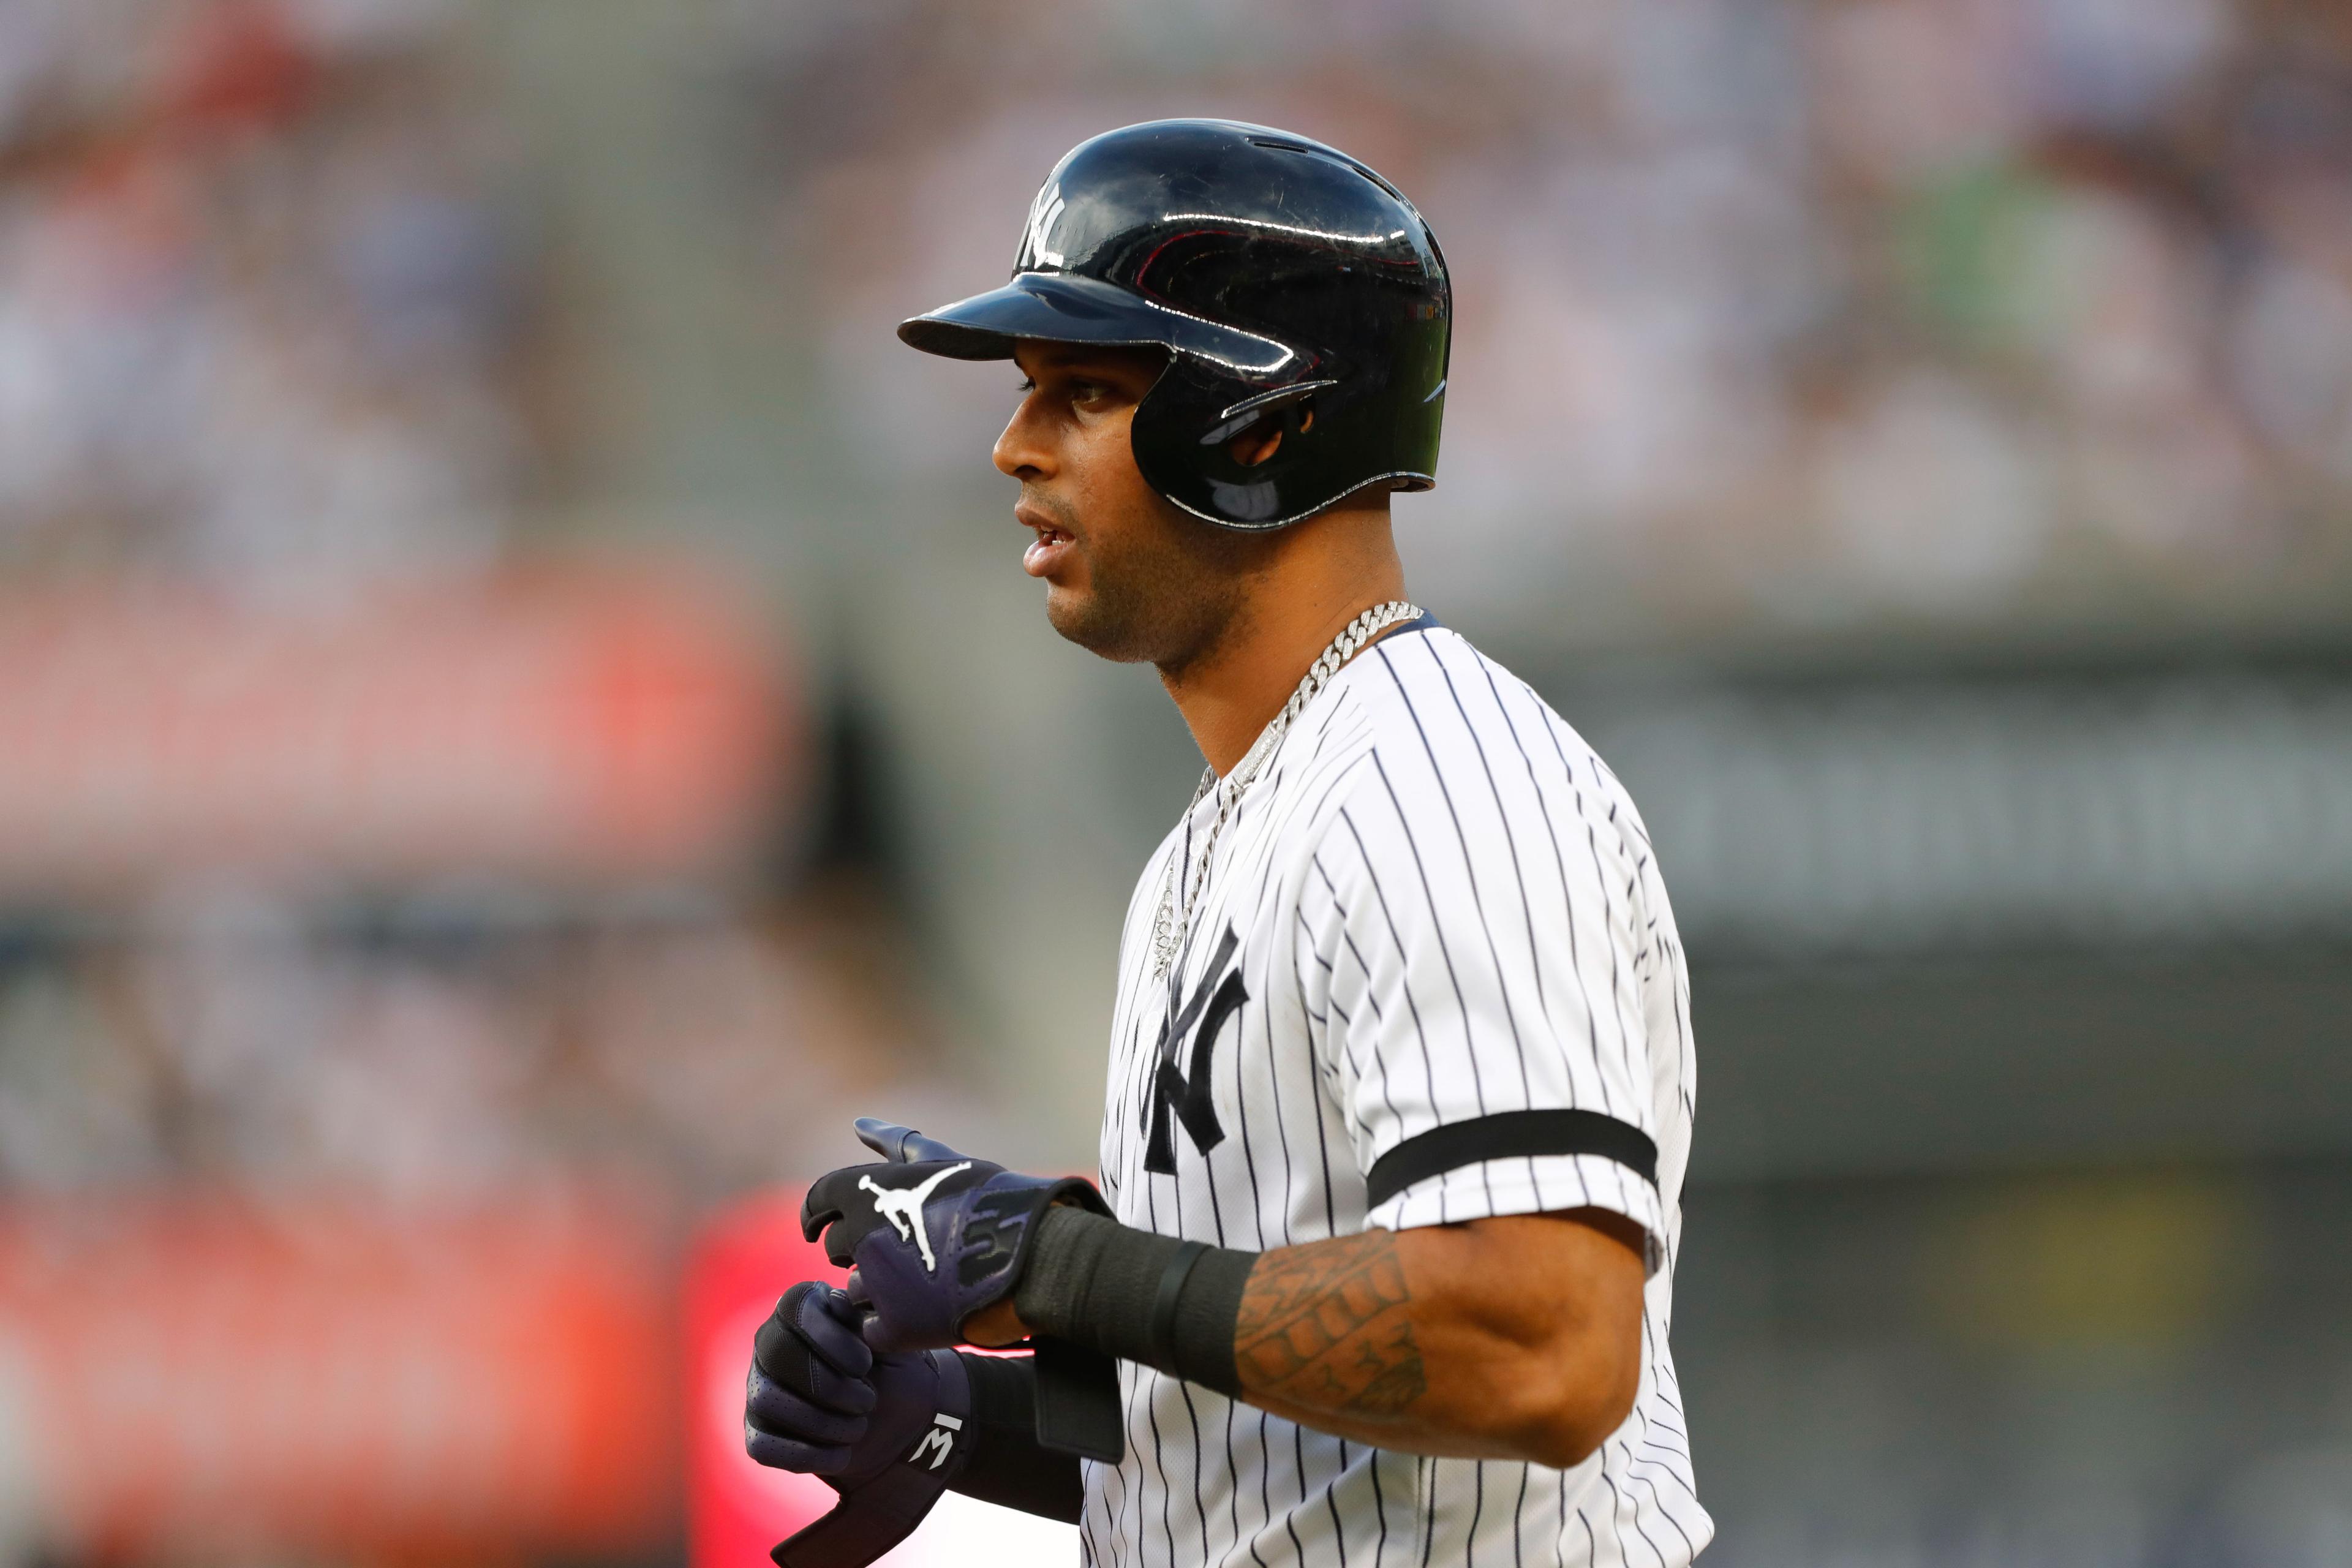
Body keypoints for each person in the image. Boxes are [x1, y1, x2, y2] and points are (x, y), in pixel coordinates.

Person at [746, 118, 1711, 1568]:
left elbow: (1545, 1344)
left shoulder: (1436, 780)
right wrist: (952, 1412)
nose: (1014, 447)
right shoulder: (1221, 840)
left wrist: (1053, 1260)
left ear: (1254, 423)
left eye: (1081, 392)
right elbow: (1263, 1454)